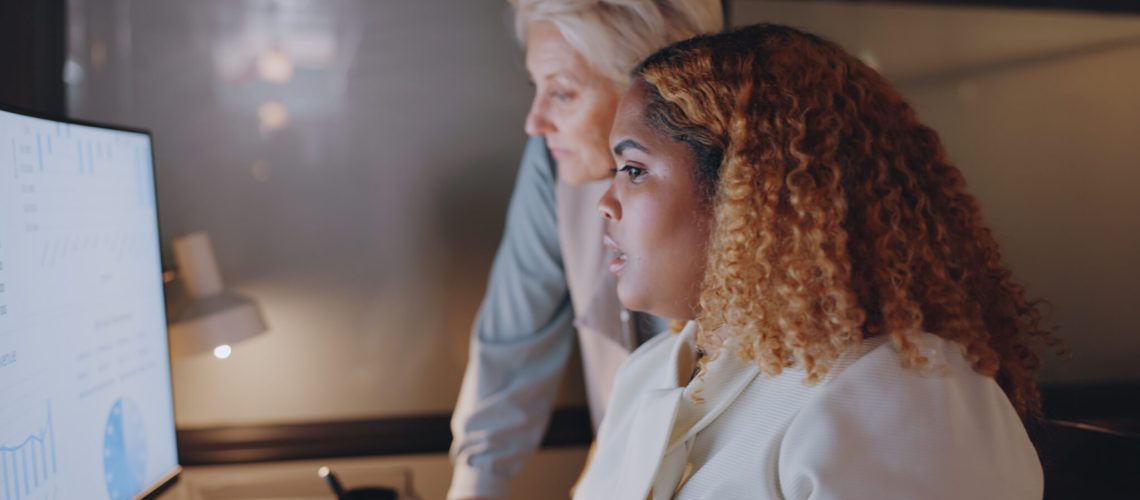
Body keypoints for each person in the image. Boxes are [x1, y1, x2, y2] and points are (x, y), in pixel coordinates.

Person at [576, 24, 1060, 499]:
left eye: (634, 171)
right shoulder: (651, 371)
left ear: (748, 191)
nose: (605, 203)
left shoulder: (902, 392)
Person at [447, 2, 723, 499]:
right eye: (537, 89)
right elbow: (509, 352)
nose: (535, 122)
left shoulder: (741, 203)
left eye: (562, 92)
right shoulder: (555, 168)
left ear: (651, 88)